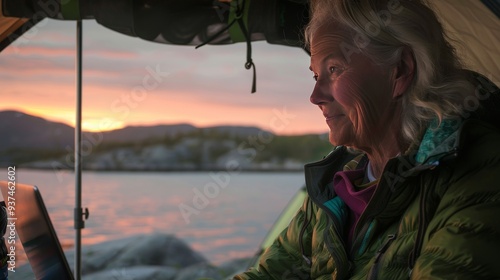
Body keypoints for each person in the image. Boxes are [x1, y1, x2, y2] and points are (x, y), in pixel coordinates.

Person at [234, 0, 500, 279]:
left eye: (334, 69)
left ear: (400, 70)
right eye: (315, 75)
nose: (315, 97)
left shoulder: (480, 170)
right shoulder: (334, 188)